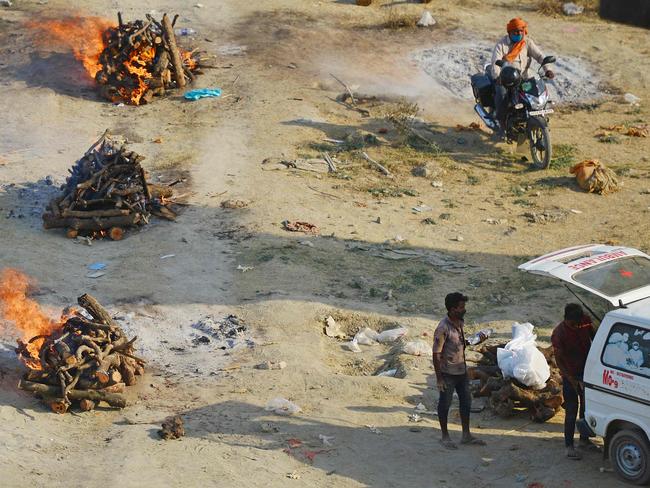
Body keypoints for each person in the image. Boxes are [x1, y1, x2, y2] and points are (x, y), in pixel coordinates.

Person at [432, 292, 486, 449]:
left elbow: (460, 343)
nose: (464, 309)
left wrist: (476, 340)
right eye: (461, 307)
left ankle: (466, 435)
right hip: (448, 373)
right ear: (452, 309)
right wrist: (439, 378)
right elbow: (436, 354)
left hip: (461, 371)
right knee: (445, 404)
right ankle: (445, 436)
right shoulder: (443, 328)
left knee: (466, 403)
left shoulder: (459, 322)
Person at [490, 17, 555, 135]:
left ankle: (534, 118)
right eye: (515, 31)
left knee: (536, 93)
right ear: (509, 32)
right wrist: (498, 77)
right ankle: (501, 123)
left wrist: (548, 69)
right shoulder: (501, 45)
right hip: (507, 79)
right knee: (502, 94)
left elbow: (540, 56)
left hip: (524, 78)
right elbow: (495, 62)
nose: (519, 33)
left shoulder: (527, 42)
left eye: (521, 31)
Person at [551, 303, 596, 460]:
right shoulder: (559, 334)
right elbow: (559, 360)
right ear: (566, 319)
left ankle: (584, 440)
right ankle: (569, 446)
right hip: (570, 374)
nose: (577, 326)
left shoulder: (585, 321)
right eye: (573, 324)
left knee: (586, 407)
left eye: (578, 323)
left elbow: (595, 338)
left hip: (588, 371)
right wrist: (571, 379)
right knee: (571, 411)